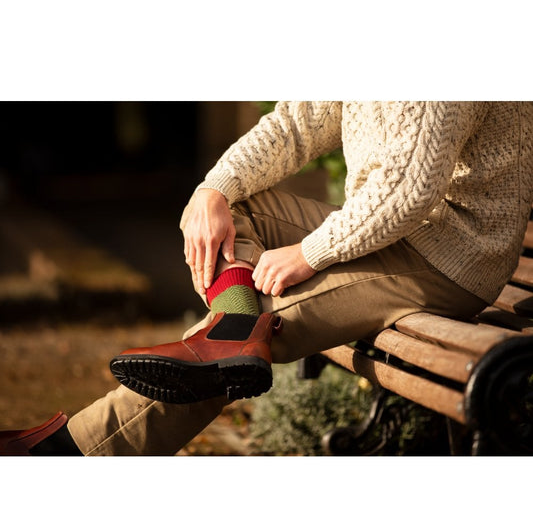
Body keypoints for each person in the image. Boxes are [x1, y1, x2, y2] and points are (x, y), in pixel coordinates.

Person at [2, 101, 533, 456]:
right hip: (390, 230)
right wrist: (214, 189)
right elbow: (296, 124)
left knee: (249, 333)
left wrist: (309, 253)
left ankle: (68, 454)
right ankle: (233, 326)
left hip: (448, 256)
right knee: (237, 221)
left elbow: (407, 191)